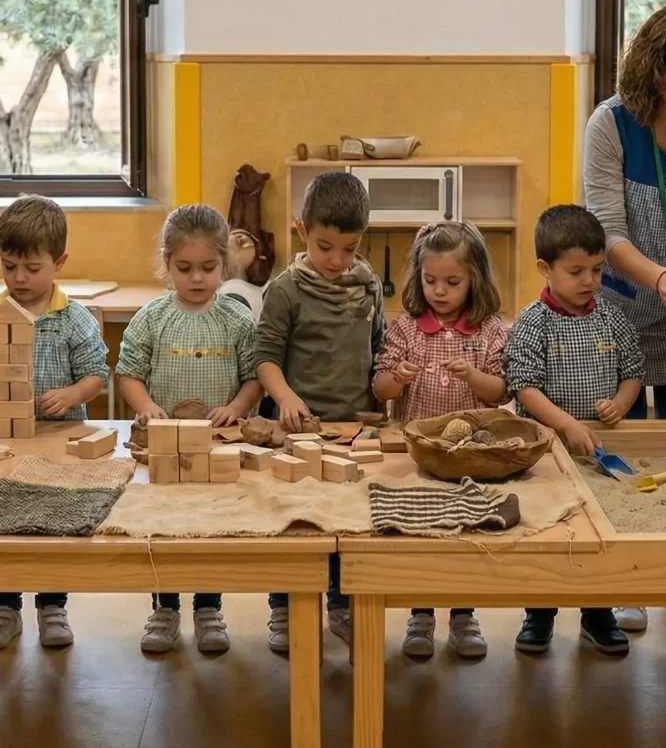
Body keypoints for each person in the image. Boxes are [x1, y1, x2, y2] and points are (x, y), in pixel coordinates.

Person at [584, 3, 666, 633]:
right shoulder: (613, 125)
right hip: (618, 305)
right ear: (654, 72)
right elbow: (603, 232)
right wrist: (659, 277)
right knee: (618, 445)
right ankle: (620, 583)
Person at [117, 204, 261, 655]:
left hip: (218, 445)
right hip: (164, 446)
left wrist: (237, 406)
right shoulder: (152, 317)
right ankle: (165, 606)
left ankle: (208, 606)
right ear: (167, 263)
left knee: (209, 525)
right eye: (184, 268)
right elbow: (129, 373)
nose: (196, 278)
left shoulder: (237, 320)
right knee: (164, 526)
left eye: (207, 268)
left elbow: (255, 376)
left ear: (225, 265)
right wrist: (147, 408)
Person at [504, 205, 645, 655]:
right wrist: (565, 424)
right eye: (576, 271)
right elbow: (524, 386)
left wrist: (622, 402)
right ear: (545, 269)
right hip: (546, 452)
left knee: (597, 534)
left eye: (597, 270)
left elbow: (633, 369)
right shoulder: (532, 322)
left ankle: (598, 614)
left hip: (597, 450)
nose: (589, 281)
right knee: (549, 531)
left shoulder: (610, 317)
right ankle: (539, 614)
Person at [256, 171, 385, 654]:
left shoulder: (367, 284)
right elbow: (265, 356)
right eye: (324, 245)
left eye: (348, 249)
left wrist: (386, 392)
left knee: (347, 520)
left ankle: (339, 604)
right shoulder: (285, 290)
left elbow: (377, 348)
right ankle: (283, 608)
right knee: (294, 520)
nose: (336, 260)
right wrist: (285, 397)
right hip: (297, 428)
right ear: (301, 230)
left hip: (353, 427)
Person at [374, 221, 508, 660]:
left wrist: (472, 375)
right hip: (422, 457)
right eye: (430, 281)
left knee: (466, 531)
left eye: (453, 282)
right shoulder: (407, 329)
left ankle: (464, 614)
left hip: (471, 457)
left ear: (475, 280)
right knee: (423, 532)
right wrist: (397, 378)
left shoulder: (488, 330)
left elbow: (501, 391)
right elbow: (380, 389)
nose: (440, 291)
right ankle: (421, 613)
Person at [0, 195, 109, 650]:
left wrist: (71, 394)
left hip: (61, 441)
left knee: (53, 520)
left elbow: (97, 376)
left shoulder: (73, 318)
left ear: (58, 262)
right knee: (7, 518)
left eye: (32, 267)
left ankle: (53, 605)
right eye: (8, 266)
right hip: (10, 440)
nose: (20, 278)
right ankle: (6, 606)